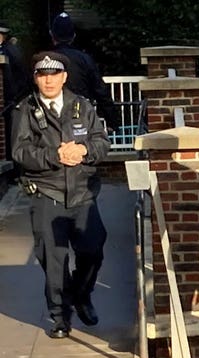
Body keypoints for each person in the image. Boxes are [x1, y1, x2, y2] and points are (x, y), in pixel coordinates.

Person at [11, 51, 111, 338]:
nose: (48, 80)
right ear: (36, 79)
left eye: (54, 74)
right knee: (53, 262)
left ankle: (81, 293)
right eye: (42, 75)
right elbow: (19, 152)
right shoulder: (25, 111)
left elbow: (101, 143)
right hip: (47, 193)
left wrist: (83, 150)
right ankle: (59, 315)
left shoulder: (82, 107)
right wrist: (55, 155)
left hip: (82, 195)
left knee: (92, 251)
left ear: (64, 77)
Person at [50, 12, 119, 131]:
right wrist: (111, 120)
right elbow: (100, 90)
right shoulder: (85, 59)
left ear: (52, 35)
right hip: (80, 113)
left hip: (52, 115)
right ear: (74, 36)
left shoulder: (45, 59)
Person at [0, 22, 29, 159]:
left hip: (10, 98)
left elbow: (9, 78)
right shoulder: (13, 50)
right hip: (15, 98)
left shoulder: (7, 51)